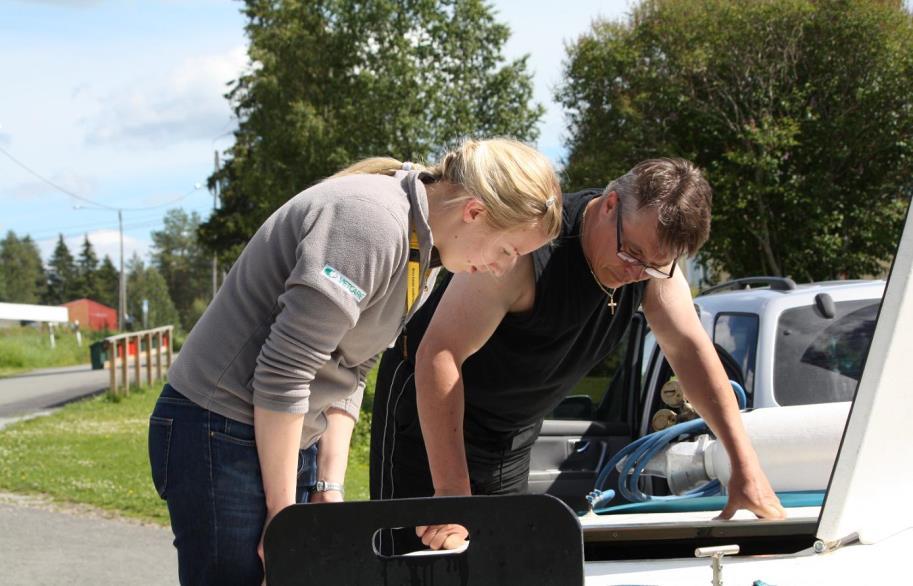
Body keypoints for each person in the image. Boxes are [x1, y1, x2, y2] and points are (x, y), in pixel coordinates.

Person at [147, 137, 562, 585]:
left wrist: (328, 485)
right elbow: (285, 369)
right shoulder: (372, 223)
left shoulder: (426, 255)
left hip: (283, 432)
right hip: (219, 427)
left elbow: (352, 367)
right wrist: (283, 515)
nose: (503, 268)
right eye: (508, 250)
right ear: (475, 212)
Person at [369, 157, 787, 552]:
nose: (635, 272)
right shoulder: (531, 246)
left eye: (654, 266)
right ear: (609, 205)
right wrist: (451, 493)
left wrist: (744, 468)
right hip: (427, 423)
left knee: (499, 565)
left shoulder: (651, 266)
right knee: (418, 569)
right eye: (631, 253)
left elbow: (691, 352)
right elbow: (439, 354)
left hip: (511, 434)